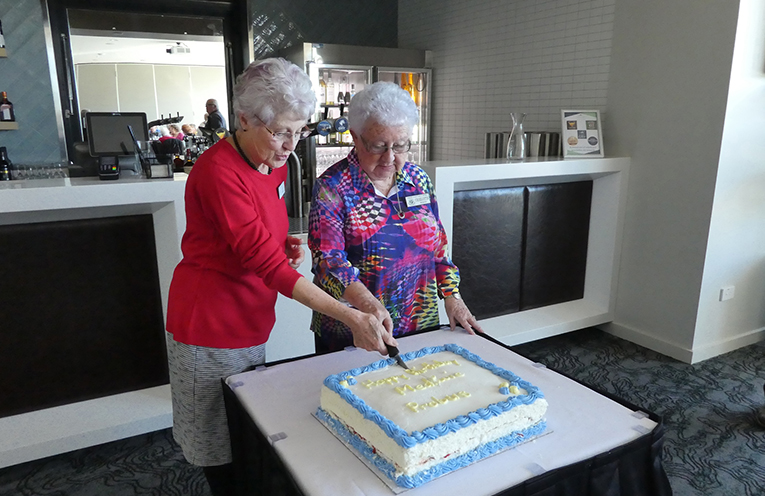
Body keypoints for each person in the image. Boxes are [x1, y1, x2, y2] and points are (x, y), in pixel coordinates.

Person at [165, 58, 396, 496]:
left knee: (244, 432)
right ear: (244, 119)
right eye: (280, 132)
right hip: (209, 326)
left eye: (299, 131)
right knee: (220, 447)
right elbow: (265, 265)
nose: (290, 145)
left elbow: (256, 236)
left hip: (249, 318)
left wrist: (281, 241)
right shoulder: (218, 171)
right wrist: (351, 315)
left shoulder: (272, 162)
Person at [308, 81, 484, 353]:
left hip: (419, 323)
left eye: (400, 145)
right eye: (378, 146)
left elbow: (437, 246)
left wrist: (453, 296)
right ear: (355, 137)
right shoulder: (332, 188)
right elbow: (328, 263)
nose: (390, 158)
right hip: (356, 329)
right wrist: (369, 305)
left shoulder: (418, 179)